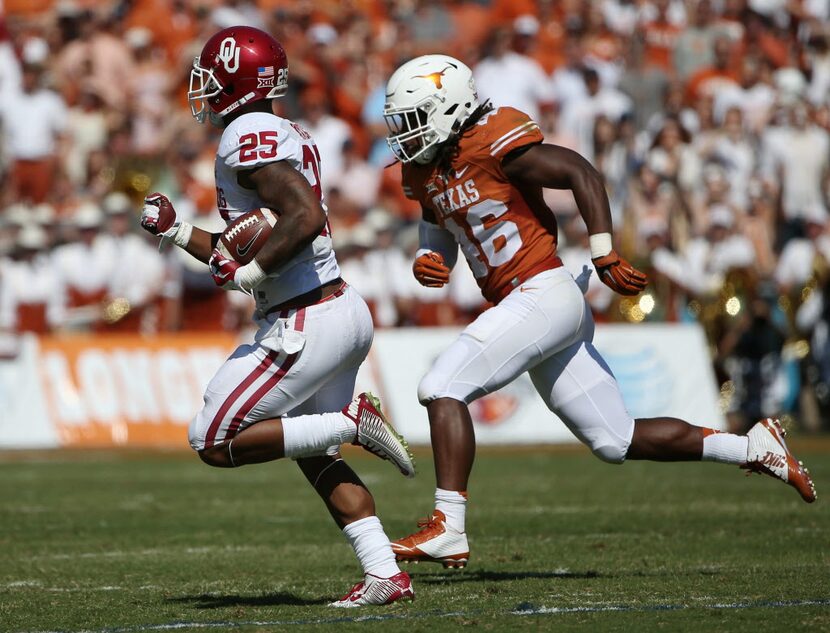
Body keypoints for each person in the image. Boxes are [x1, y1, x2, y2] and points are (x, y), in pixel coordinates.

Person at [381, 54, 817, 569]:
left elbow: (579, 171)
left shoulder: (494, 142)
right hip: (526, 303)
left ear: (449, 108)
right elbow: (438, 219)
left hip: (542, 290)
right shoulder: (425, 166)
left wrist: (604, 250)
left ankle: (448, 525)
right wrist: (430, 255)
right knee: (615, 439)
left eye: (413, 120)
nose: (404, 136)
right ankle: (751, 448)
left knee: (440, 386)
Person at [138, 26, 415, 607]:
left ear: (239, 80)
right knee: (308, 450)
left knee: (211, 438)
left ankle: (350, 420)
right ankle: (384, 572)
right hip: (334, 305)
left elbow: (304, 216)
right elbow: (239, 245)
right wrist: (177, 231)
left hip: (303, 319)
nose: (206, 91)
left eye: (214, 78)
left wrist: (255, 273)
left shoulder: (247, 131)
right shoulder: (277, 129)